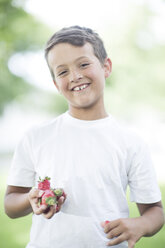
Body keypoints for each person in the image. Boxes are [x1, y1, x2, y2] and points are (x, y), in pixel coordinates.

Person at [4, 26, 164, 248]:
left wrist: (141, 225)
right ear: (55, 85)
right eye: (62, 72)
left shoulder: (131, 142)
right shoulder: (36, 137)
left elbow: (155, 211)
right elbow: (11, 203)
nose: (75, 76)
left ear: (106, 66)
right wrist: (31, 198)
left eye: (84, 64)